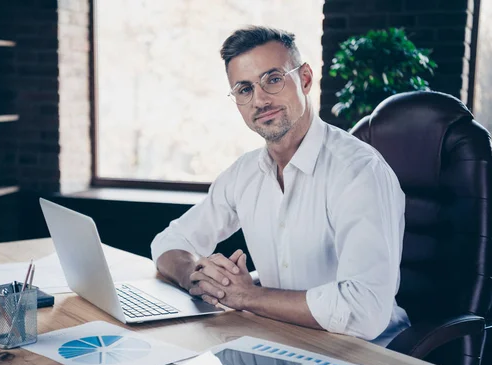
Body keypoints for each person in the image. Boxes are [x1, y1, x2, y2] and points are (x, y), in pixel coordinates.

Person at [150, 26, 410, 346]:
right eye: (244, 89)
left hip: (368, 353)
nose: (259, 99)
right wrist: (200, 277)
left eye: (273, 79)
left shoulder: (358, 172)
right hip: (276, 339)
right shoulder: (244, 173)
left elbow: (364, 311)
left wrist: (248, 296)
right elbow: (170, 241)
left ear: (304, 79)